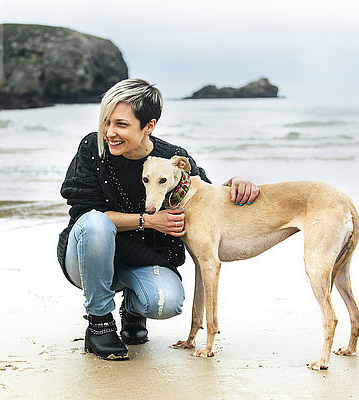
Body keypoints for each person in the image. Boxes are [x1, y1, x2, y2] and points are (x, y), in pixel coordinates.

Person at [57, 78, 259, 360]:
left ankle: (133, 308)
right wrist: (147, 220)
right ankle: (100, 323)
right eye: (107, 122)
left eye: (121, 125)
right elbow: (82, 214)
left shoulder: (171, 158)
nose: (110, 132)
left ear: (149, 126)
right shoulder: (94, 149)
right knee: (94, 222)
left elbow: (205, 198)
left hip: (143, 259)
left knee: (167, 303)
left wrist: (235, 183)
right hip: (87, 256)